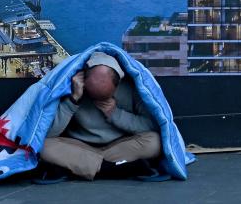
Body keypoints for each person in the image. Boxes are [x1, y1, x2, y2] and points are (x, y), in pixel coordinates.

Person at [34, 51, 168, 183]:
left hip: (119, 145)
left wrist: (115, 113)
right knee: (42, 145)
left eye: (105, 97)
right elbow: (49, 132)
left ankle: (83, 167)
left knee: (155, 142)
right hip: (80, 146)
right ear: (83, 78)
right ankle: (120, 168)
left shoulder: (132, 86)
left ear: (118, 83)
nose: (98, 101)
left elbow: (150, 126)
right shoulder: (72, 86)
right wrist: (73, 100)